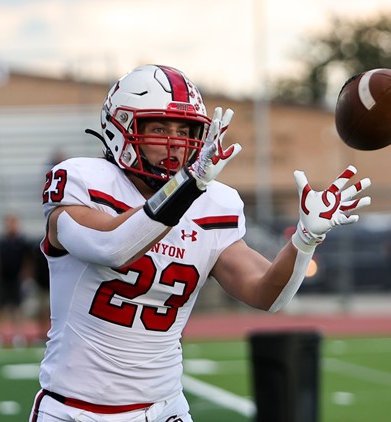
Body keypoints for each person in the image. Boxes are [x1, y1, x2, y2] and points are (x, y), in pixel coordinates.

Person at [28, 64, 372, 422]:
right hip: (75, 411)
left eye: (184, 130)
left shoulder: (212, 203)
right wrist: (186, 187)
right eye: (159, 128)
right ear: (122, 128)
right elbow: (113, 246)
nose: (175, 143)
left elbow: (266, 292)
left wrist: (305, 238)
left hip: (164, 410)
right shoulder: (84, 182)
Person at [0, 213, 29, 348]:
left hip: (16, 278)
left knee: (17, 308)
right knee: (0, 307)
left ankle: (18, 335)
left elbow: (27, 261)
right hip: (3, 278)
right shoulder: (1, 241)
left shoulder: (21, 241)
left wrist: (25, 276)